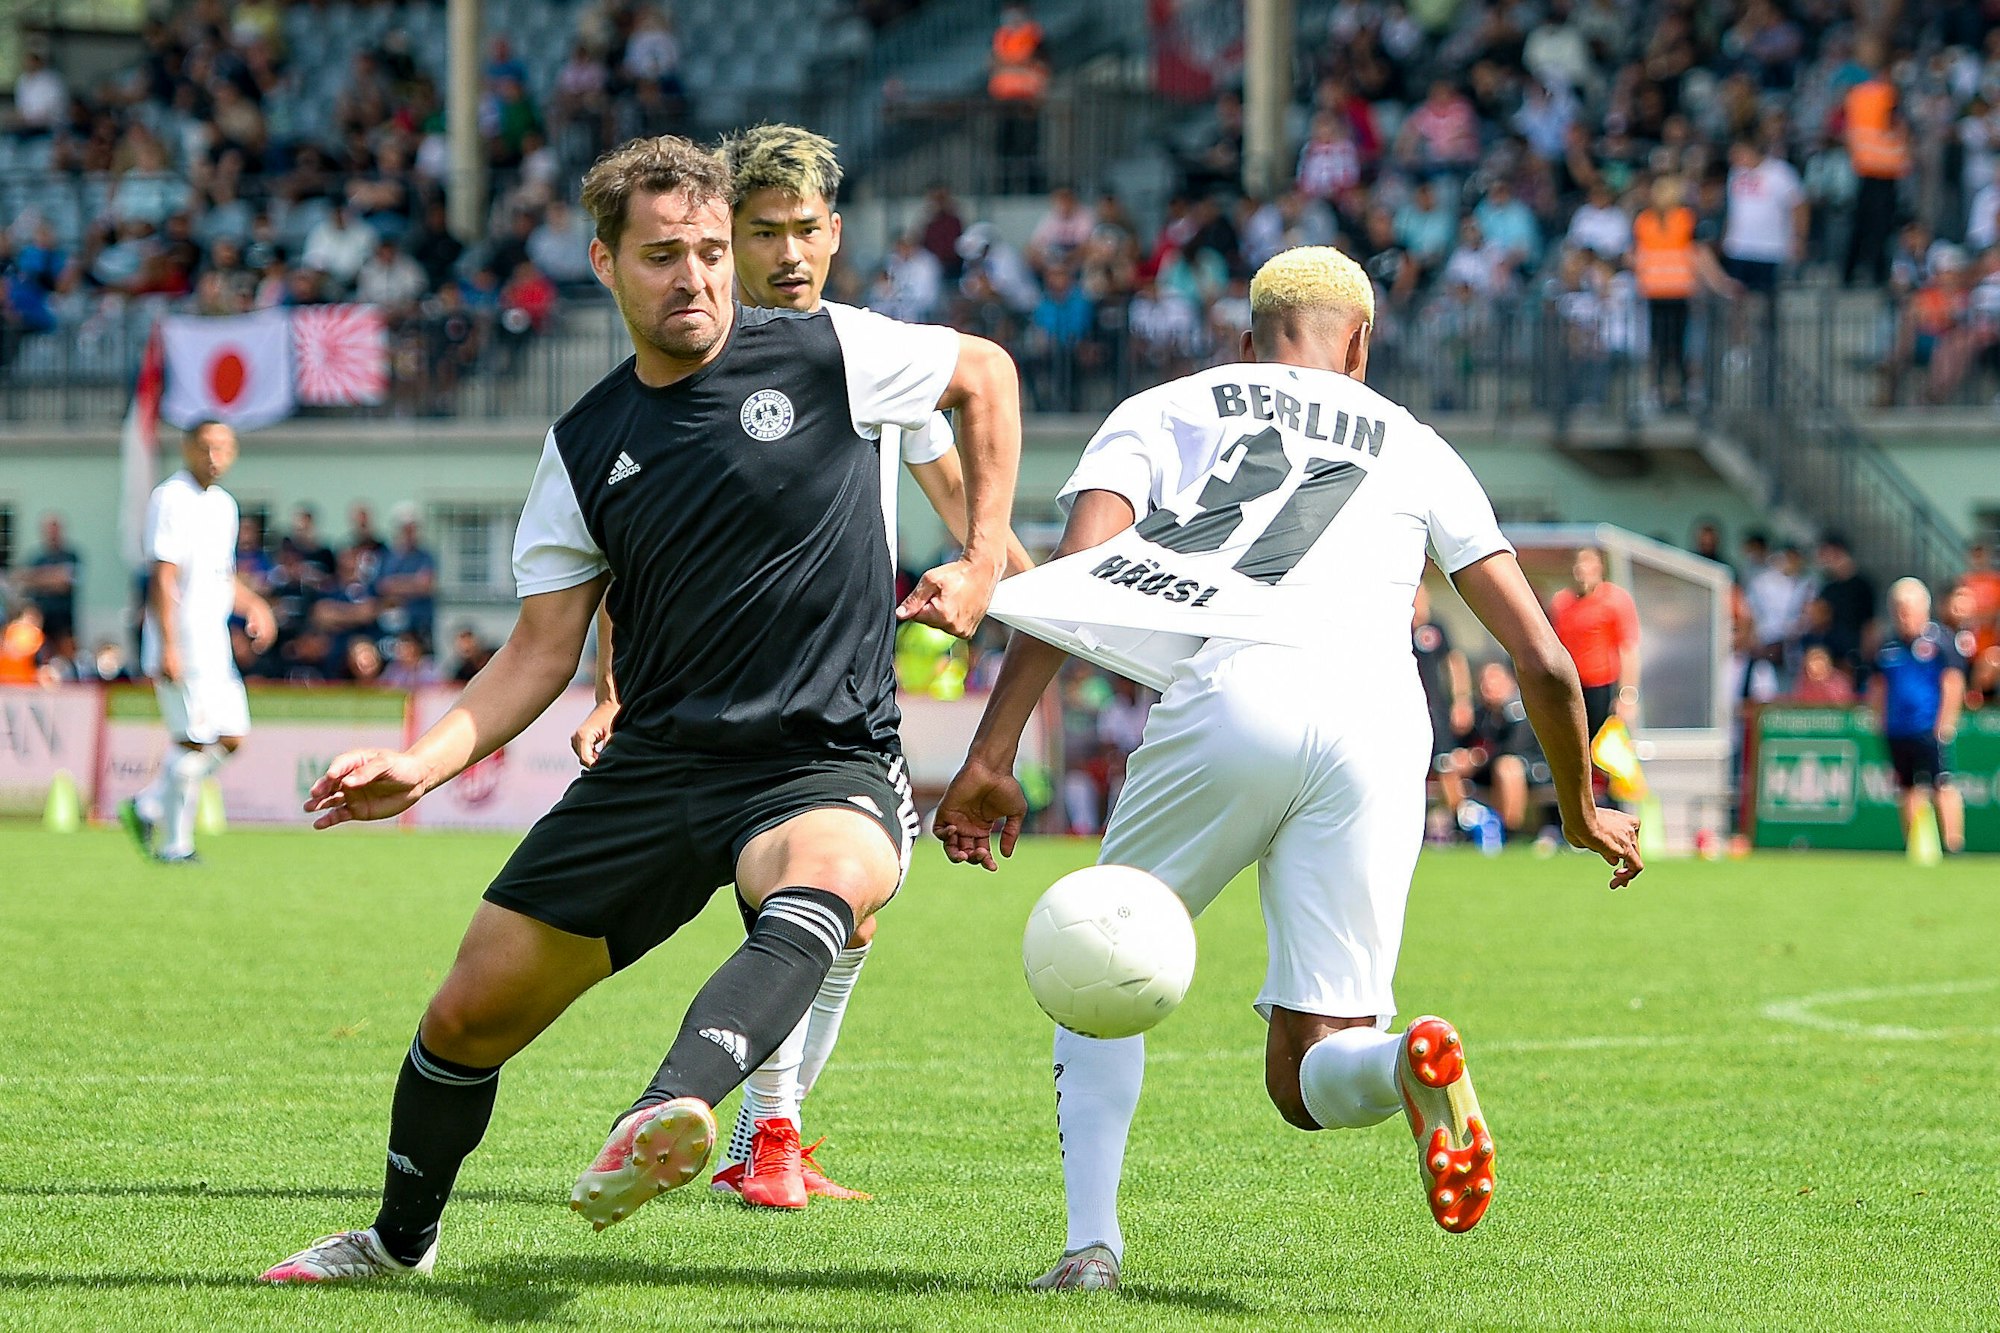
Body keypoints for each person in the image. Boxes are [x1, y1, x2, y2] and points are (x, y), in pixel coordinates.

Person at [260, 134, 1022, 1283]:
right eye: (664, 255)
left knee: (822, 885)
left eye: (713, 252)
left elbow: (987, 376)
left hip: (823, 757)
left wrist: (974, 560)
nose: (700, 277)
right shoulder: (584, 447)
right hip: (657, 769)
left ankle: (670, 1111)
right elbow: (535, 650)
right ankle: (396, 1241)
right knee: (465, 1018)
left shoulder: (830, 351)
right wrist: (420, 765)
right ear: (603, 263)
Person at [933, 247, 1641, 1290]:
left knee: (1098, 953)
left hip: (1237, 689)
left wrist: (991, 754)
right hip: (1378, 719)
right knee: (1307, 1068)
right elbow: (1541, 656)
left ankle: (1091, 1245)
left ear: (1248, 337)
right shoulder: (1416, 445)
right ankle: (1403, 1061)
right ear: (1359, 342)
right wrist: (1577, 806)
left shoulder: (1165, 407)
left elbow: (1078, 586)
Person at [569, 123, 1034, 1211]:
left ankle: (762, 1129)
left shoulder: (868, 357)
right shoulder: (685, 372)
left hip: (840, 692)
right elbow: (621, 545)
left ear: (835, 235)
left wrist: (1058, 600)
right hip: (743, 712)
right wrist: (609, 683)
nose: (785, 256)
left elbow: (977, 516)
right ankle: (759, 1131)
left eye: (804, 231)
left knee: (848, 920)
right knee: (807, 899)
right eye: (759, 232)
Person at [119, 422, 277, 864]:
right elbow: (163, 576)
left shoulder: (224, 505)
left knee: (232, 737)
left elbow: (220, 576)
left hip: (214, 645)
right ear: (187, 448)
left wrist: (254, 604)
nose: (215, 456)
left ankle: (147, 805)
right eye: (206, 447)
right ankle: (176, 846)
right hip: (182, 643)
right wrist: (169, 645)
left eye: (224, 447)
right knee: (191, 741)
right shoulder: (171, 497)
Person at [1871, 579, 1965, 855]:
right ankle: (1914, 846)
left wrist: (1945, 722)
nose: (1904, 615)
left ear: (1923, 608)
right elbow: (1879, 685)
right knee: (1908, 787)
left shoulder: (1940, 641)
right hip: (1898, 728)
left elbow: (1953, 682)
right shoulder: (1888, 646)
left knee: (1942, 783)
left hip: (1928, 726)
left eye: (1908, 608)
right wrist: (1880, 719)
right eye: (1899, 609)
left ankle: (1953, 845)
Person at [1549, 548, 1641, 745]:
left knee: (1604, 750)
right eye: (1579, 563)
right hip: (1571, 688)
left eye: (1588, 562)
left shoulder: (1614, 599)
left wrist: (1627, 696)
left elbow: (1628, 649)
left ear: (1600, 566)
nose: (1582, 568)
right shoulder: (1562, 603)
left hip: (1603, 687)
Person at [20, 514, 81, 644]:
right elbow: (26, 581)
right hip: (40, 620)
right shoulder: (37, 558)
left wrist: (39, 578)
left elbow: (65, 583)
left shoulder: (71, 556)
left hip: (63, 621)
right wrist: (53, 577)